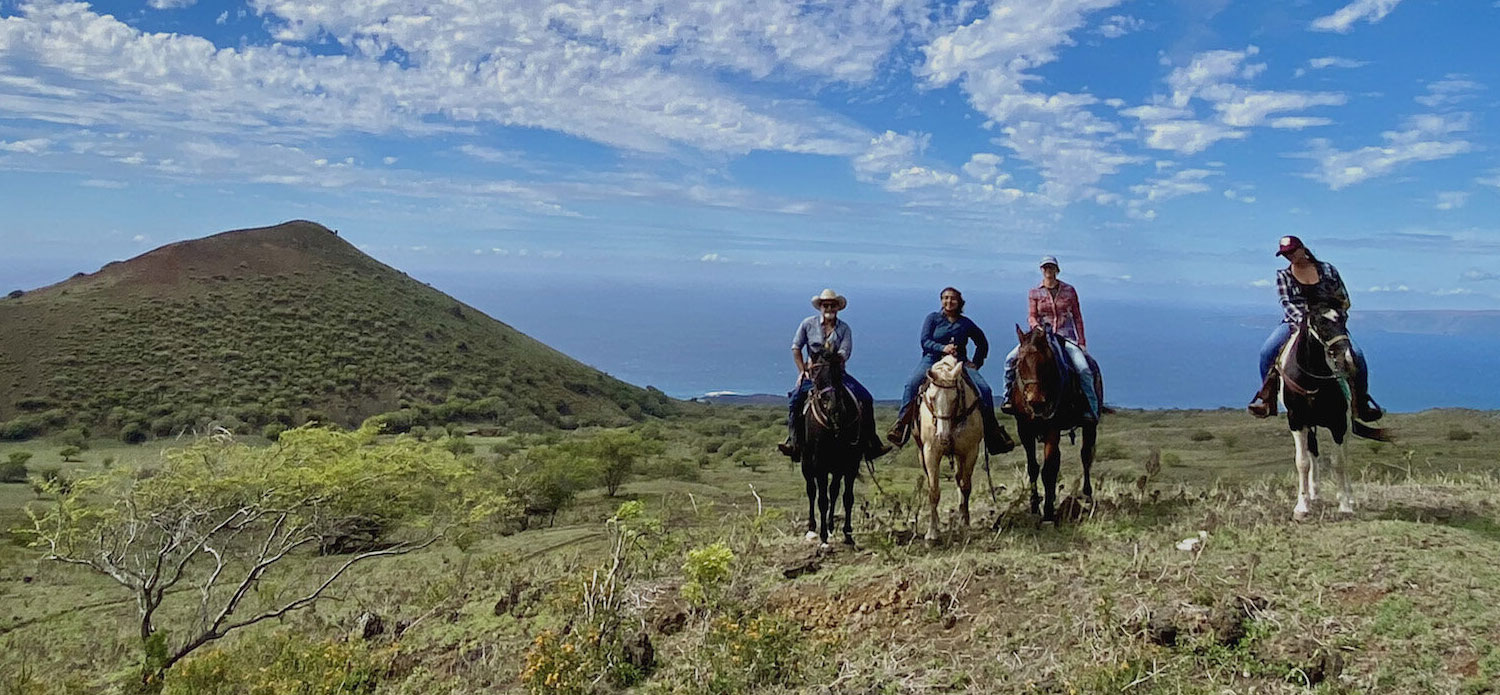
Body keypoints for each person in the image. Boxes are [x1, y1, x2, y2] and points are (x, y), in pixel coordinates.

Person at [1248, 236, 1383, 421]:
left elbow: (1342, 297)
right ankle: (1267, 398)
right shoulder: (1284, 275)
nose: (1289, 256)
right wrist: (1305, 321)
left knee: (1357, 355)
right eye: (1285, 254)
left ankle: (1361, 402)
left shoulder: (1328, 270)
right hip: (1295, 323)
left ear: (1302, 249)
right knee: (1267, 351)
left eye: (1292, 251)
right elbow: (1286, 302)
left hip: (1329, 323)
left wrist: (1333, 317)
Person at [885, 287, 1015, 454]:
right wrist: (942, 348)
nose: (949, 301)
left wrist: (976, 363)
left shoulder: (965, 323)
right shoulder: (932, 318)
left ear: (959, 302)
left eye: (953, 298)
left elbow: (982, 342)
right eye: (945, 298)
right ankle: (901, 426)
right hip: (932, 360)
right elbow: (924, 341)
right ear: (941, 300)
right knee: (911, 384)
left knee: (985, 390)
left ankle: (993, 433)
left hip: (959, 362)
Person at [778, 289, 892, 462]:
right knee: (795, 400)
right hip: (814, 375)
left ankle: (871, 443)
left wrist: (834, 359)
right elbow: (796, 347)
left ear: (838, 307)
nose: (829, 308)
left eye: (832, 305)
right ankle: (794, 442)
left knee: (866, 398)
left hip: (838, 374)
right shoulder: (808, 324)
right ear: (820, 307)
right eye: (826, 305)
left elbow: (845, 352)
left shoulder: (844, 329)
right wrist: (802, 371)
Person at [1001, 256, 1100, 421]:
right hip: (1040, 337)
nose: (1048, 270)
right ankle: (1007, 398)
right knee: (1010, 360)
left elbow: (1077, 317)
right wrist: (1036, 328)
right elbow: (1032, 316)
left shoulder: (1069, 290)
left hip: (1065, 337)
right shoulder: (1034, 292)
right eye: (1045, 267)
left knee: (1083, 369)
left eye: (1051, 267)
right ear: (1041, 270)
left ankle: (1092, 408)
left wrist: (1081, 342)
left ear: (1057, 270)